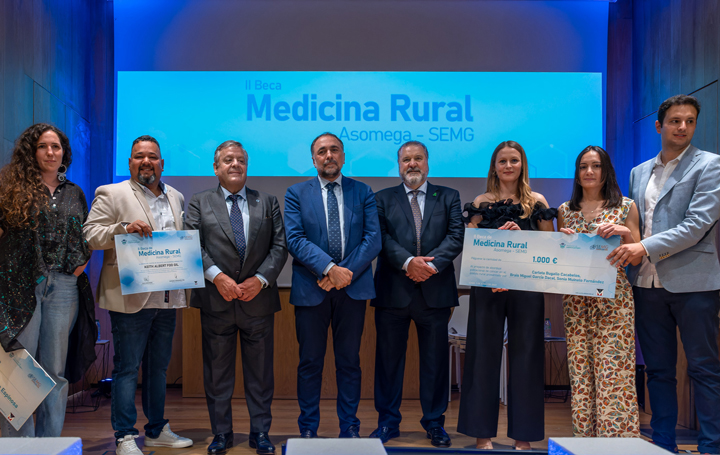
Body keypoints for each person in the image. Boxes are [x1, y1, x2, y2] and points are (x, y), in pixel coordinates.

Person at [609, 94, 720, 454]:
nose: (683, 127)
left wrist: (643, 248)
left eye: (689, 121)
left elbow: (697, 225)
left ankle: (711, 446)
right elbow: (633, 226)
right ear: (660, 126)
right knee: (657, 371)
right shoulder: (638, 172)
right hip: (645, 283)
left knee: (704, 369)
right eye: (675, 121)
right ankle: (663, 445)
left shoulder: (711, 165)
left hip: (695, 284)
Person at [84, 135, 193, 455]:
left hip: (167, 295)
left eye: (153, 156)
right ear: (130, 162)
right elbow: (90, 236)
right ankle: (124, 436)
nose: (146, 161)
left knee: (159, 368)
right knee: (127, 368)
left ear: (162, 163)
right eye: (138, 156)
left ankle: (157, 429)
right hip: (130, 295)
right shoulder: (111, 192)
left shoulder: (176, 196)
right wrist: (123, 228)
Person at [185, 141, 287, 455]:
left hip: (258, 302)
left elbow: (280, 246)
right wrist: (218, 277)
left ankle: (260, 433)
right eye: (228, 160)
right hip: (216, 301)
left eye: (240, 160)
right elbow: (192, 244)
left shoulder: (267, 201)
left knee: (260, 375)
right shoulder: (199, 202)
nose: (235, 164)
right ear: (216, 168)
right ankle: (221, 434)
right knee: (217, 376)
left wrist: (260, 280)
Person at [457, 140, 555, 450]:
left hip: (526, 288)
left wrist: (521, 237)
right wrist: (491, 240)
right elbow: (470, 245)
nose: (509, 166)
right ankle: (481, 435)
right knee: (481, 356)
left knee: (526, 358)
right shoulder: (480, 201)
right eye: (503, 161)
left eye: (514, 160)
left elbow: (550, 246)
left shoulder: (536, 201)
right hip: (488, 286)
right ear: (494, 166)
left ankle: (522, 437)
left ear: (523, 164)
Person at [284, 132, 381, 438]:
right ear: (313, 159)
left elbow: (373, 239)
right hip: (311, 288)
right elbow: (295, 239)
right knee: (310, 363)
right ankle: (308, 429)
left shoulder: (362, 191)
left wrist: (344, 272)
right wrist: (328, 269)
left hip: (352, 289)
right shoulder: (296, 193)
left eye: (334, 150)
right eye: (322, 151)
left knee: (349, 362)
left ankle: (350, 427)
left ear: (343, 155)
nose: (329, 156)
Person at [370, 141, 464, 447]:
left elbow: (455, 237)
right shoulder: (382, 198)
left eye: (418, 158)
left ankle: (435, 423)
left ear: (427, 162)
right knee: (388, 362)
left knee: (435, 364)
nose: (412, 164)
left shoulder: (448, 196)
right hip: (392, 291)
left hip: (435, 293)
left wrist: (428, 267)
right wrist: (409, 263)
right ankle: (387, 423)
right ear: (398, 165)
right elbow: (380, 238)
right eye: (406, 159)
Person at [0, 123, 91, 437]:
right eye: (43, 146)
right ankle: (18, 446)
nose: (51, 152)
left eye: (56, 147)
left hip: (64, 288)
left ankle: (48, 444)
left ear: (64, 152)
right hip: (20, 285)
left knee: (54, 372)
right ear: (31, 151)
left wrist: (80, 265)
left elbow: (83, 237)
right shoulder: (9, 186)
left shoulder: (74, 192)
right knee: (18, 371)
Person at [557, 145, 641, 437]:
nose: (589, 172)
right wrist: (560, 241)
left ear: (606, 171)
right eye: (583, 167)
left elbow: (638, 255)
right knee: (581, 375)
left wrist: (625, 233)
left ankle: (617, 444)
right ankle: (586, 441)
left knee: (613, 373)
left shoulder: (625, 207)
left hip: (614, 299)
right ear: (577, 174)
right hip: (576, 301)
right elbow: (561, 260)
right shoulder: (565, 211)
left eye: (596, 166)